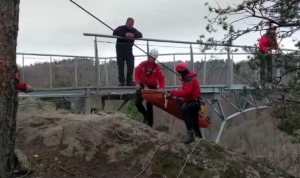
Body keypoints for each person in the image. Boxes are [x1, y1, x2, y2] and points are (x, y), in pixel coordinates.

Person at [166, 62, 202, 144]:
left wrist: (172, 93)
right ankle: (199, 137)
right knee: (194, 121)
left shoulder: (188, 79)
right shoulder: (189, 78)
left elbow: (187, 92)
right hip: (195, 102)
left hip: (193, 102)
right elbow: (188, 93)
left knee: (184, 110)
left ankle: (190, 134)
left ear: (181, 72)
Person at [134, 48, 165, 127]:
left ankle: (150, 124)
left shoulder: (157, 68)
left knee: (149, 105)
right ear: (149, 56)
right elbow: (137, 74)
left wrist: (161, 88)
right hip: (142, 85)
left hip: (152, 87)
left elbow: (161, 79)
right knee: (137, 103)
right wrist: (137, 83)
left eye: (154, 58)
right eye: (151, 57)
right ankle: (145, 115)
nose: (152, 59)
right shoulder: (142, 64)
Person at [113, 17, 143, 86]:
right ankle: (122, 81)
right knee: (121, 65)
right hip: (120, 49)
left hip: (129, 50)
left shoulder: (134, 30)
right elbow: (114, 33)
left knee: (131, 65)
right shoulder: (120, 28)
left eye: (132, 25)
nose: (131, 26)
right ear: (126, 23)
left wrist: (133, 35)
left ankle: (129, 81)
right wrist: (124, 35)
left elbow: (140, 35)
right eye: (129, 24)